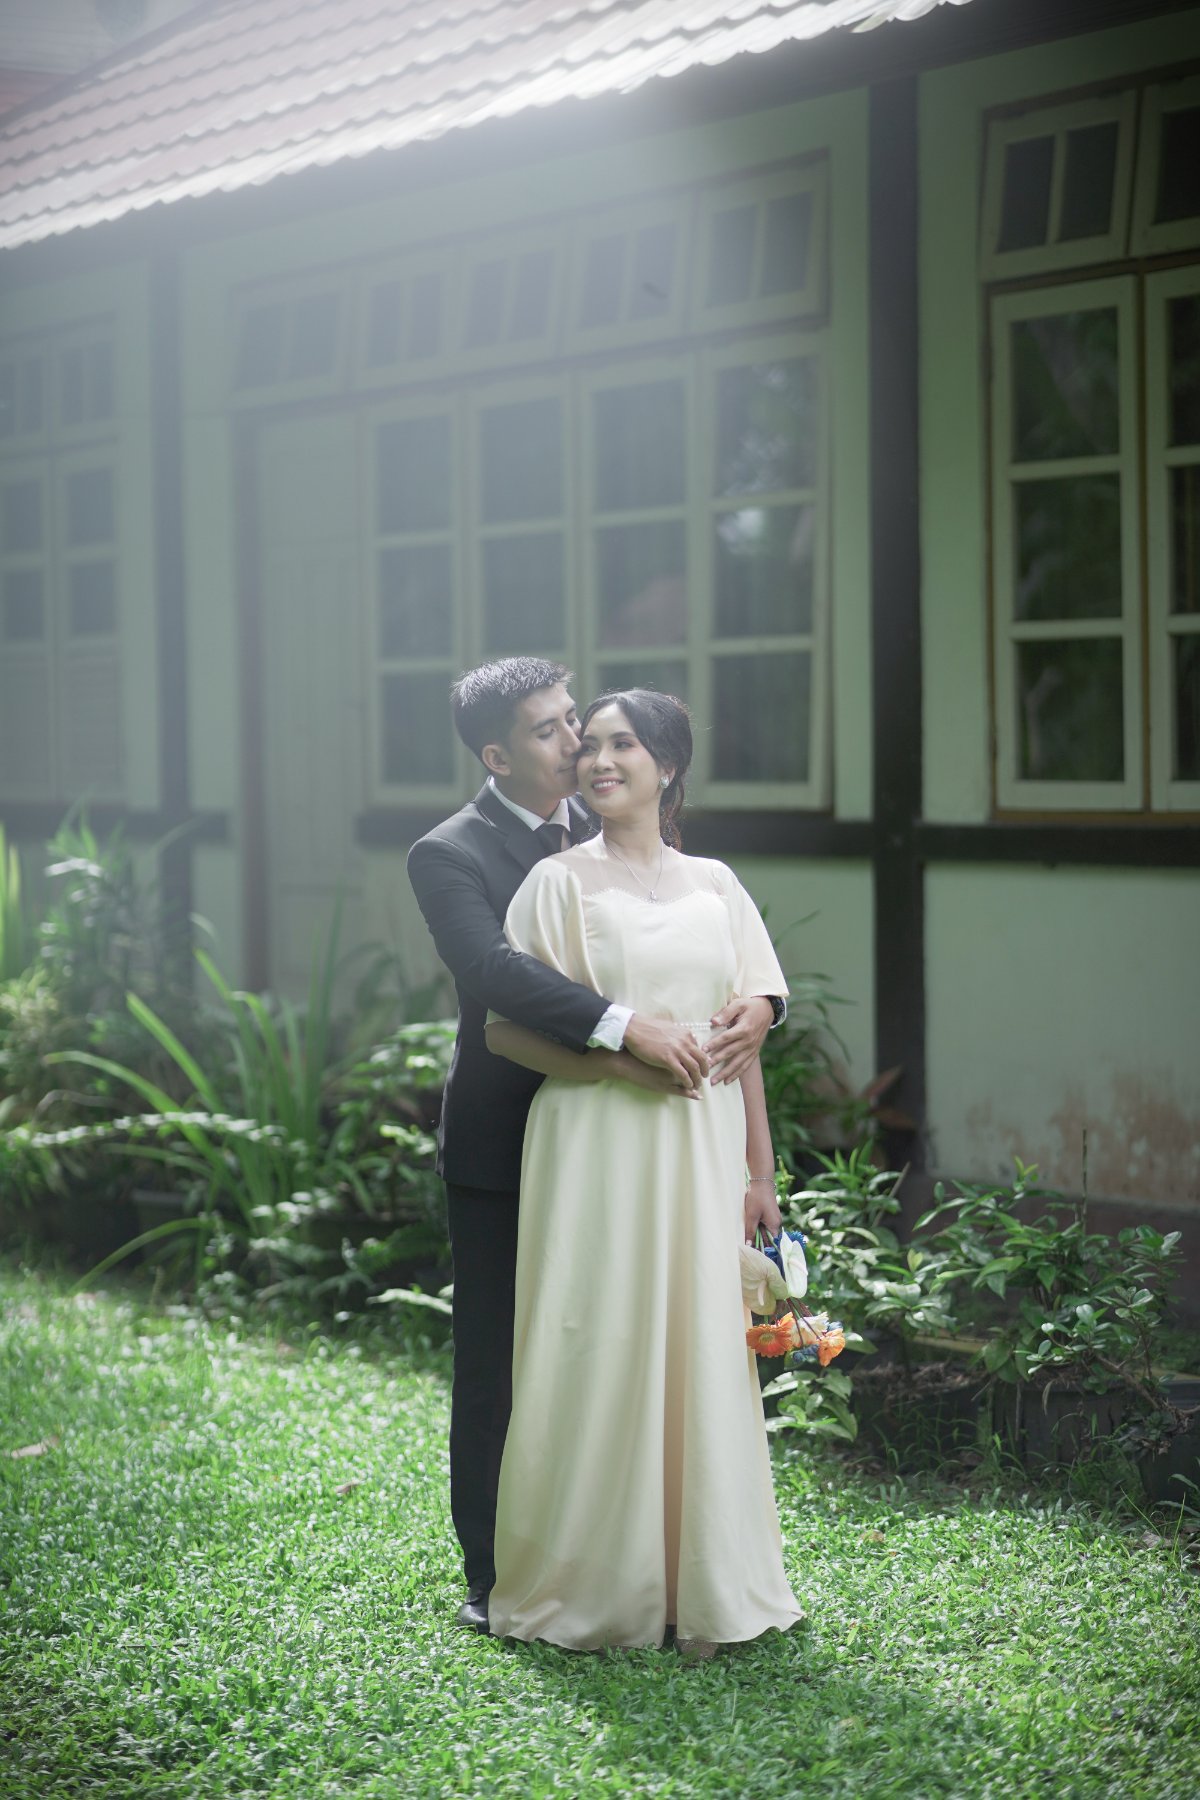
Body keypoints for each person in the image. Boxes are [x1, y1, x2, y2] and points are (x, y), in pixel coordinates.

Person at [406, 659, 780, 1633]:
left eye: (582, 723)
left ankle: (655, 1553)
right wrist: (624, 1036)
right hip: (515, 1133)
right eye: (554, 731)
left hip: (664, 1145)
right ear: (499, 756)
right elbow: (493, 973)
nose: (580, 745)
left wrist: (760, 1013)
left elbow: (716, 966)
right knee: (507, 1359)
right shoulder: (453, 853)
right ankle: (497, 1573)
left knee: (651, 1338)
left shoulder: (625, 826)